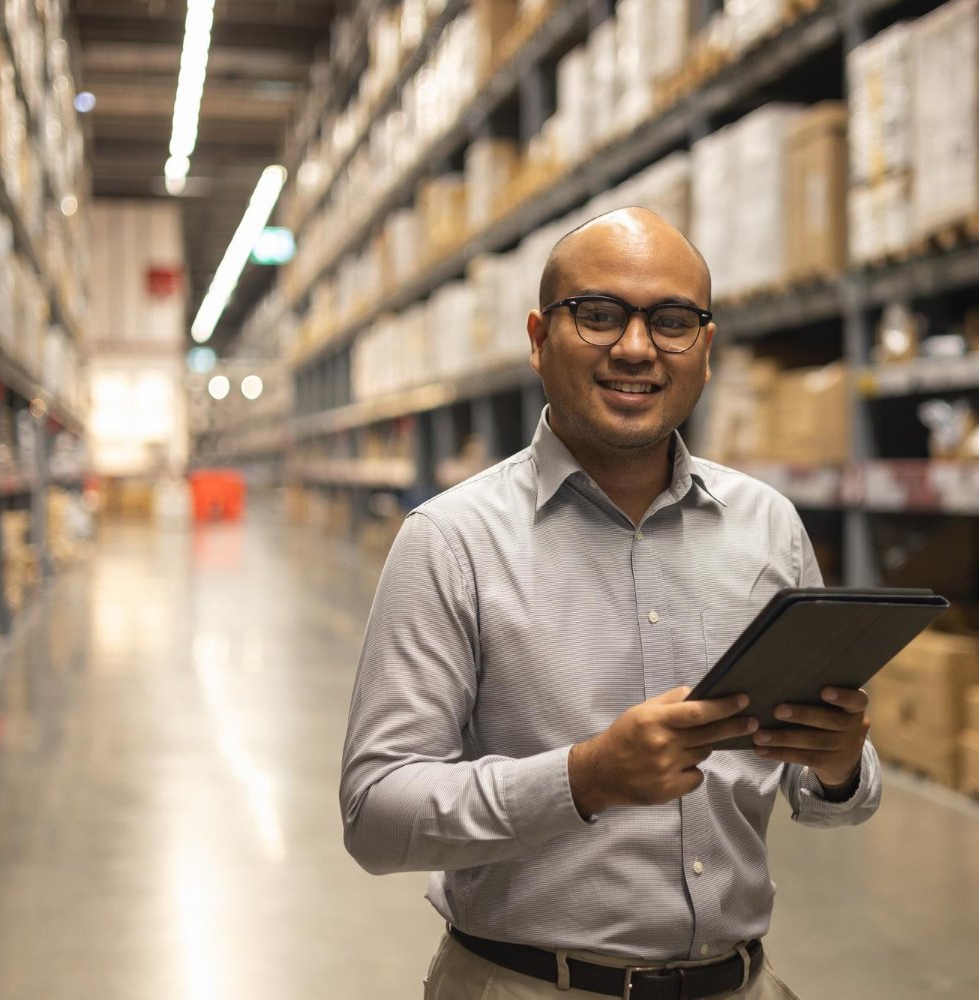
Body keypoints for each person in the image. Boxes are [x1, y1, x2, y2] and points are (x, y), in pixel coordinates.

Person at [340, 207, 881, 999]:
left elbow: (825, 794)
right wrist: (585, 777)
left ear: (705, 347)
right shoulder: (451, 541)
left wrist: (836, 764)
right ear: (537, 338)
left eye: (671, 322)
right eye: (598, 315)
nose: (635, 349)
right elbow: (377, 816)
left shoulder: (768, 527)